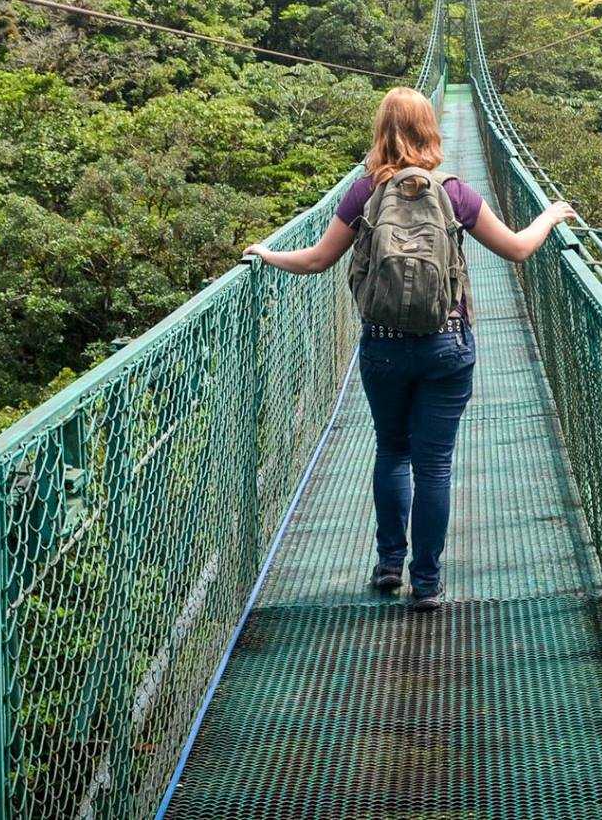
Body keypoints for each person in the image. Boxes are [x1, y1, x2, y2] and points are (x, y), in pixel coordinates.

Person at [246, 86, 575, 610]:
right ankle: (426, 582)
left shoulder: (363, 194)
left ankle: (388, 563)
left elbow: (314, 261)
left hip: (384, 347)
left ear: (382, 132)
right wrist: (551, 217)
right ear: (429, 130)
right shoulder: (456, 192)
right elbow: (516, 249)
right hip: (447, 345)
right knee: (435, 465)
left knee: (392, 451)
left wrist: (267, 254)